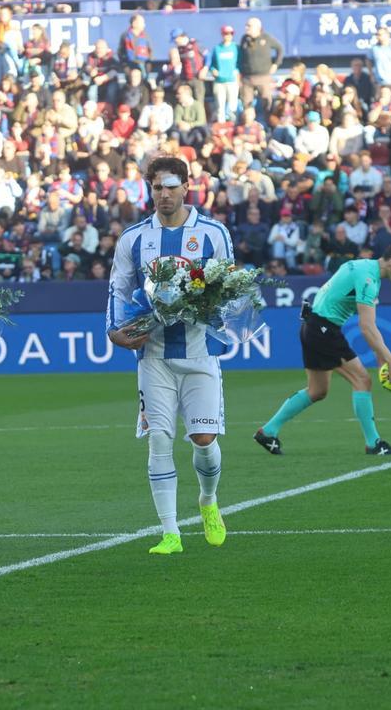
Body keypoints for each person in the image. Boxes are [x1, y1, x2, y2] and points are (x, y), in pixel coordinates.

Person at [106, 156, 232, 556]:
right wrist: (114, 331)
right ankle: (170, 532)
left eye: (171, 186)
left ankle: (208, 501)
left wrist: (205, 308)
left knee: (203, 439)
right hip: (153, 356)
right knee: (159, 439)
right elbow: (119, 289)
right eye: (157, 187)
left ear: (186, 187)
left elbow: (229, 286)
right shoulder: (134, 238)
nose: (163, 194)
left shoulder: (212, 233)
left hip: (199, 352)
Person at [254, 241, 391, 457]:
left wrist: (383, 358)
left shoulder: (363, 268)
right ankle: (373, 443)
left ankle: (268, 431)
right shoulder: (368, 279)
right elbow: (367, 327)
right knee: (362, 380)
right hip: (324, 329)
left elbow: (370, 327)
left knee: (317, 391)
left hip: (312, 326)